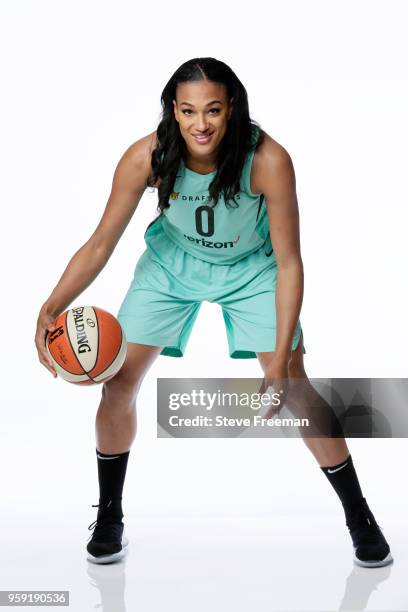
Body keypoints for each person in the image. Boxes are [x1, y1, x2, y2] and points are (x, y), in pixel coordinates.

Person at [35, 57, 393, 568]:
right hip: (172, 265)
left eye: (213, 110)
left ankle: (359, 514)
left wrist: (276, 360)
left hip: (253, 268)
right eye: (187, 111)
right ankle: (110, 513)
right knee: (118, 381)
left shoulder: (267, 158)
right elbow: (99, 244)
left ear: (233, 111)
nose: (200, 123)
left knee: (294, 385)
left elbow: (290, 263)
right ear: (173, 112)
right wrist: (51, 305)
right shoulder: (148, 156)